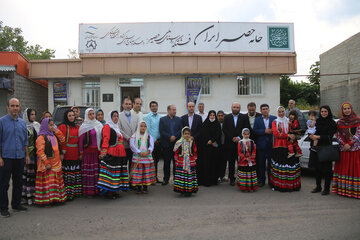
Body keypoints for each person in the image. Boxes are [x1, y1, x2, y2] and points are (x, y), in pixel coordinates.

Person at [0, 98, 29, 217]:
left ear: (19, 108)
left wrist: (27, 155)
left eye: (17, 106)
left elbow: (25, 140)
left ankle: (16, 204)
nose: (15, 108)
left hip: (20, 156)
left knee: (18, 182)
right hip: (6, 157)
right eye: (12, 106)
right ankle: (3, 208)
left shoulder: (22, 122)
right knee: (4, 184)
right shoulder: (1, 121)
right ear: (8, 107)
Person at [35, 118, 67, 206]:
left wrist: (56, 130)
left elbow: (63, 140)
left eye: (53, 125)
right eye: (50, 125)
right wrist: (46, 162)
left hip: (56, 163)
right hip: (48, 165)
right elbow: (40, 152)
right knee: (49, 184)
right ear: (45, 126)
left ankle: (56, 199)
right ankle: (47, 201)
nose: (52, 127)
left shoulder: (53, 136)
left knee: (55, 183)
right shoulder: (41, 138)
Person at [98, 111, 129, 198]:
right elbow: (105, 139)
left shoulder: (117, 127)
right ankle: (109, 192)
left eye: (117, 116)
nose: (116, 118)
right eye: (114, 116)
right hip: (112, 152)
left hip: (120, 153)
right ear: (110, 117)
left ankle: (115, 190)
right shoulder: (107, 127)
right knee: (111, 173)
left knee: (117, 173)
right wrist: (103, 151)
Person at [332, 102, 360, 199]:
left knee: (355, 170)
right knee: (343, 169)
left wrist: (350, 144)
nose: (347, 110)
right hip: (344, 150)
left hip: (355, 150)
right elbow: (338, 135)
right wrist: (344, 144)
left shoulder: (358, 120)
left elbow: (358, 134)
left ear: (351, 109)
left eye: (348, 108)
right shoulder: (339, 122)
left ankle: (355, 191)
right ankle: (343, 190)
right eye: (345, 109)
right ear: (342, 111)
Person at [270, 106, 301, 192]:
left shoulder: (289, 121)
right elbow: (276, 134)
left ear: (285, 112)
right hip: (279, 147)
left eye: (282, 111)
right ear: (277, 113)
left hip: (290, 146)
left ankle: (291, 186)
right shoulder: (275, 122)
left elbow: (294, 131)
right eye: (279, 112)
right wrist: (287, 135)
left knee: (290, 166)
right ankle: (280, 186)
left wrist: (293, 135)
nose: (281, 113)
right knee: (281, 166)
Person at [308, 105, 337, 195]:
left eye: (325, 111)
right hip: (316, 147)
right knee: (317, 169)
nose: (323, 113)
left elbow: (329, 136)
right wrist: (311, 136)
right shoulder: (317, 121)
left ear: (328, 112)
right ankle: (318, 187)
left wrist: (318, 137)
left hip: (326, 148)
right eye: (322, 111)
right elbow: (312, 131)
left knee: (327, 170)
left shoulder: (332, 123)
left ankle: (326, 189)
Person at [222, 102, 251, 186]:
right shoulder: (227, 117)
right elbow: (224, 129)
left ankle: (241, 178)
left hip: (241, 143)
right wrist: (232, 138)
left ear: (240, 108)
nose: (235, 108)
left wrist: (239, 137)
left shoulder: (244, 117)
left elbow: (247, 127)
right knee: (231, 162)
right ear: (231, 108)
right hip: (230, 143)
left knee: (241, 161)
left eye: (237, 107)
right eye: (234, 107)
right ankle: (232, 178)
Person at [57, 109, 82, 200]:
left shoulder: (77, 127)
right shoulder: (62, 127)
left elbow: (80, 141)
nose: (72, 117)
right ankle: (68, 193)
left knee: (75, 173)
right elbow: (60, 142)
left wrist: (80, 152)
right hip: (67, 153)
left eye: (73, 115)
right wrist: (61, 153)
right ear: (66, 117)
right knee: (68, 174)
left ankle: (76, 192)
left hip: (76, 153)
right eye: (69, 116)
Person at [78, 108, 103, 197]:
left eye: (93, 114)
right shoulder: (83, 127)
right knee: (89, 173)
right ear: (86, 115)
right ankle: (89, 192)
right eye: (90, 114)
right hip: (87, 154)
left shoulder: (99, 125)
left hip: (97, 153)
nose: (92, 116)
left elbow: (102, 138)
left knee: (96, 173)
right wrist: (81, 153)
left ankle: (97, 190)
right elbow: (80, 141)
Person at [253, 104, 276, 187]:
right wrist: (264, 131)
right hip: (261, 145)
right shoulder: (257, 119)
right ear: (261, 111)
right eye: (263, 109)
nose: (265, 110)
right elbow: (254, 130)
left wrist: (273, 130)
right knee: (261, 164)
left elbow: (278, 129)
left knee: (271, 164)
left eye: (266, 109)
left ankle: (271, 181)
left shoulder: (274, 118)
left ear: (269, 110)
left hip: (271, 145)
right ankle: (262, 180)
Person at [129, 121, 156, 194]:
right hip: (138, 158)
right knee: (138, 173)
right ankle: (138, 187)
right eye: (141, 126)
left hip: (146, 158)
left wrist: (148, 151)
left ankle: (145, 187)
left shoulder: (149, 136)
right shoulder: (134, 136)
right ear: (138, 127)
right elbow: (132, 145)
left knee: (145, 173)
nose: (143, 128)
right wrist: (139, 152)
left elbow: (151, 146)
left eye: (144, 126)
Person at [159, 105, 182, 185]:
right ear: (168, 110)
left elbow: (180, 130)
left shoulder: (179, 119)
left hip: (176, 144)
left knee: (176, 163)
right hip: (166, 144)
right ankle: (166, 179)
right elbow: (161, 131)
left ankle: (177, 179)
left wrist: (175, 136)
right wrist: (169, 137)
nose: (175, 111)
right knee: (166, 163)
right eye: (173, 110)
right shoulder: (162, 120)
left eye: (175, 109)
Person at [173, 127, 198, 197]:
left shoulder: (192, 142)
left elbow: (194, 150)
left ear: (190, 134)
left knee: (189, 176)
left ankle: (189, 190)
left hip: (190, 161)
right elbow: (176, 151)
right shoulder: (179, 142)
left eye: (188, 134)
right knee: (182, 176)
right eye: (185, 134)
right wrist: (176, 158)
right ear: (182, 134)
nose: (187, 135)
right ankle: (182, 190)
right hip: (181, 161)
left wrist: (194, 157)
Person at [198, 110, 221, 186]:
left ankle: (214, 180)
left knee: (214, 164)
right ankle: (206, 181)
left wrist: (212, 140)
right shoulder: (205, 124)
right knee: (206, 164)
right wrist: (208, 140)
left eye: (213, 115)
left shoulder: (217, 124)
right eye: (210, 115)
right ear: (208, 116)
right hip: (206, 148)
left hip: (214, 148)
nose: (212, 116)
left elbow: (218, 134)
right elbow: (203, 134)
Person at [21, 108, 39, 205]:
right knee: (27, 177)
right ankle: (26, 197)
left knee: (33, 176)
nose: (33, 116)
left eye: (34, 114)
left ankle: (34, 195)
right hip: (28, 155)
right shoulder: (23, 126)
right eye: (31, 114)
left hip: (36, 154)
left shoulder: (36, 125)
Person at [119, 98, 139, 174]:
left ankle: (131, 182)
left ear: (132, 105)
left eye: (129, 104)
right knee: (123, 164)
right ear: (122, 105)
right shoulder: (119, 116)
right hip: (124, 144)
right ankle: (124, 182)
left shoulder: (135, 116)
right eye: (126, 104)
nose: (128, 106)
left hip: (133, 144)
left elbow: (137, 128)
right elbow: (119, 129)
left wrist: (133, 138)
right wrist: (127, 138)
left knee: (132, 164)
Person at [143, 101, 162, 183]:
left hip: (159, 142)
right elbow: (148, 130)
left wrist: (159, 139)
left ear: (157, 107)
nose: (154, 107)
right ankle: (150, 178)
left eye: (155, 106)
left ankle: (155, 177)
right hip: (151, 142)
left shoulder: (160, 117)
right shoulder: (147, 117)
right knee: (151, 160)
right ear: (150, 107)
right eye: (152, 106)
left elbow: (160, 129)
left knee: (157, 160)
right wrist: (153, 141)